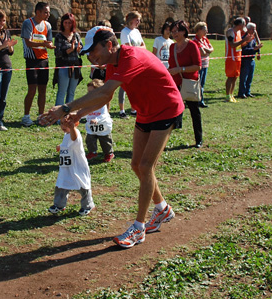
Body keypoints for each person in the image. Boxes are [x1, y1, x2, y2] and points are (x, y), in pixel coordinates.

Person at [40, 26, 184, 249]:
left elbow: (104, 91)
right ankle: (163, 209)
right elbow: (105, 96)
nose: (90, 56)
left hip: (166, 108)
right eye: (87, 52)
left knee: (146, 167)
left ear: (109, 44)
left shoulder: (131, 57)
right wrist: (78, 114)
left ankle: (138, 228)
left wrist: (66, 107)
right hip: (146, 111)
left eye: (93, 50)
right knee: (137, 165)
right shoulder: (111, 64)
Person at [48, 119, 95, 216]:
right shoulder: (66, 135)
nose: (63, 126)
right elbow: (68, 144)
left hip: (77, 166)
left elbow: (74, 139)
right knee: (61, 184)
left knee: (83, 186)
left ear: (76, 124)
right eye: (61, 123)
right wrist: (60, 147)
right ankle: (59, 205)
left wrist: (72, 127)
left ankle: (87, 205)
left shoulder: (75, 133)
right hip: (66, 167)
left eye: (67, 124)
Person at [168, 20, 203, 148]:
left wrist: (180, 69)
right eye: (172, 31)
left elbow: (198, 66)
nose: (174, 34)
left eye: (176, 31)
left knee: (194, 111)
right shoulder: (172, 47)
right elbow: (172, 64)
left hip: (189, 84)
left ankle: (198, 139)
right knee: (171, 110)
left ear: (184, 31)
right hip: (176, 83)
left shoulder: (192, 45)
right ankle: (166, 136)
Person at [21, 2, 55, 127]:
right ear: (38, 12)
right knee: (32, 89)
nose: (48, 14)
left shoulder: (48, 25)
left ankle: (41, 116)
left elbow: (49, 41)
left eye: (49, 12)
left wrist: (50, 46)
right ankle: (26, 116)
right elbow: (28, 42)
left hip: (44, 59)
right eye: (46, 12)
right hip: (32, 60)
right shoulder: (28, 23)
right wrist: (43, 44)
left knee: (43, 90)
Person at [118, 11, 146, 118]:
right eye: (137, 19)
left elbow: (144, 46)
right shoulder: (125, 32)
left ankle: (134, 109)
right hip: (128, 61)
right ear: (131, 20)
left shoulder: (137, 32)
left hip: (138, 61)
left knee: (136, 86)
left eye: (139, 19)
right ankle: (122, 110)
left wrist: (136, 49)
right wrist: (138, 49)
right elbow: (128, 48)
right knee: (124, 86)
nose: (138, 22)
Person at [54, 13, 83, 107]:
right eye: (65, 22)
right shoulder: (59, 36)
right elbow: (57, 53)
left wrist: (79, 49)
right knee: (62, 92)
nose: (67, 24)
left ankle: (67, 116)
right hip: (64, 67)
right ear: (62, 23)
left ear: (73, 23)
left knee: (71, 92)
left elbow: (81, 49)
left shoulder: (76, 35)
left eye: (69, 23)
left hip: (75, 66)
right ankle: (58, 117)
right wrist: (68, 50)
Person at [84, 79, 114, 163]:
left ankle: (109, 153)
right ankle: (92, 152)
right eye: (88, 92)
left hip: (103, 126)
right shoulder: (88, 102)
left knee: (105, 141)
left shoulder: (102, 103)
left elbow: (104, 114)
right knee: (90, 140)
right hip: (92, 126)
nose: (88, 94)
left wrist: (96, 119)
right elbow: (84, 112)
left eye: (91, 92)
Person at [224, 17, 253, 102]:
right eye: (244, 24)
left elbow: (239, 45)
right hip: (231, 57)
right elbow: (232, 44)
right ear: (240, 24)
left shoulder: (239, 32)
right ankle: (227, 95)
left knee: (235, 77)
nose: (245, 26)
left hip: (238, 57)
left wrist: (247, 41)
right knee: (230, 77)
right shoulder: (230, 32)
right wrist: (244, 40)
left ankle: (232, 94)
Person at [237, 22, 263, 98]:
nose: (254, 30)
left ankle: (247, 92)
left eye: (255, 29)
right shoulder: (245, 38)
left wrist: (258, 52)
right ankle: (241, 93)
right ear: (248, 29)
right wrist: (255, 49)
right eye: (252, 29)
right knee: (244, 77)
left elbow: (255, 46)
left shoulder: (253, 38)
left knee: (250, 77)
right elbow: (244, 50)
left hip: (252, 59)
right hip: (245, 60)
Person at [192, 22, 214, 108]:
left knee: (203, 83)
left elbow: (212, 49)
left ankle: (200, 100)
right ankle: (199, 101)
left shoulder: (205, 39)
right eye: (205, 29)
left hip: (206, 65)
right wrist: (207, 50)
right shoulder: (195, 41)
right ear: (199, 30)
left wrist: (206, 49)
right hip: (199, 66)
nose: (206, 31)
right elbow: (203, 53)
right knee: (199, 83)